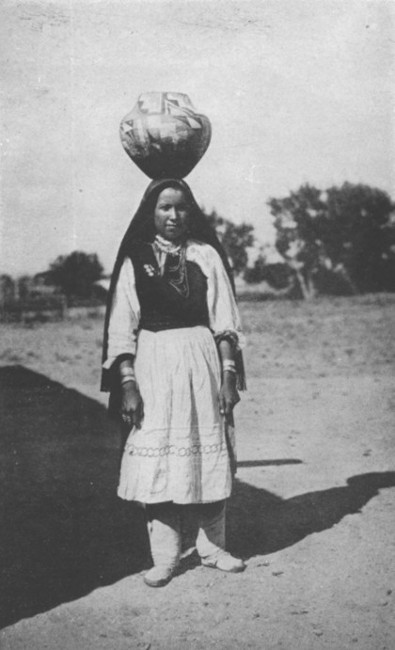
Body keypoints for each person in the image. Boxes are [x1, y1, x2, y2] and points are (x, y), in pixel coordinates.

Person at [101, 178, 246, 587]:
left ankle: (213, 548)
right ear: (151, 213)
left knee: (206, 454)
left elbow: (225, 325)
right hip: (153, 366)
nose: (173, 216)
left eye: (181, 208)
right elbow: (120, 329)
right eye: (164, 207)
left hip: (202, 364)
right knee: (160, 460)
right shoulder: (136, 259)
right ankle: (165, 556)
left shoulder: (206, 256)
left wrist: (228, 377)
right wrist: (127, 382)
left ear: (191, 213)